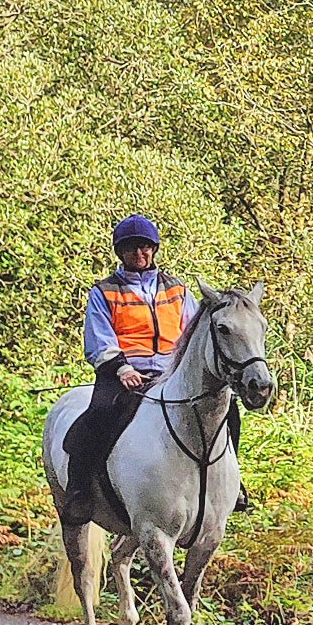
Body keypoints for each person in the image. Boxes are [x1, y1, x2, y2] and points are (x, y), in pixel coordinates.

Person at [63, 215, 246, 514]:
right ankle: (80, 489)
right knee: (96, 415)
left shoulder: (176, 290)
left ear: (154, 249)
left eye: (146, 247)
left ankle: (231, 484)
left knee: (229, 411)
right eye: (133, 248)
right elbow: (99, 338)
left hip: (170, 372)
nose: (140, 254)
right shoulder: (104, 291)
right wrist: (121, 368)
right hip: (124, 372)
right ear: (120, 252)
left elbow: (193, 333)